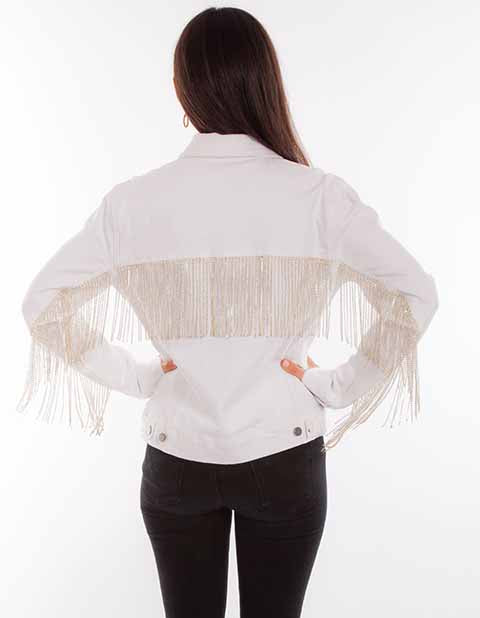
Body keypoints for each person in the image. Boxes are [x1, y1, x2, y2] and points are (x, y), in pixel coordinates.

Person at [17, 7, 439, 618]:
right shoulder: (318, 195)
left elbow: (42, 304)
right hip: (286, 452)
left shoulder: (132, 203)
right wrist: (335, 386)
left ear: (181, 88)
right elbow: (416, 294)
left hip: (176, 455)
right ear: (266, 80)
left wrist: (139, 377)